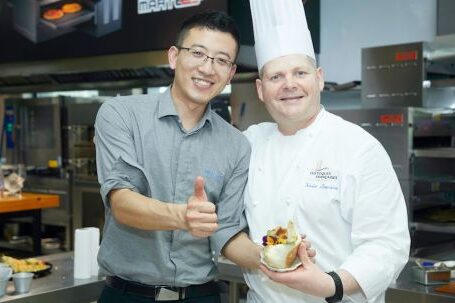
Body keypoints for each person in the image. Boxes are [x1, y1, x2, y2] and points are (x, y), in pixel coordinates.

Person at [242, 1, 411, 302]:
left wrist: (330, 284)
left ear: (318, 77)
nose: (289, 85)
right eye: (276, 76)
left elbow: (387, 245)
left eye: (300, 73)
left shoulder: (359, 148)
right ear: (260, 88)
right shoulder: (249, 144)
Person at [94, 10, 252, 303]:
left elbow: (227, 230)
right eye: (198, 53)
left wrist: (272, 260)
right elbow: (121, 203)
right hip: (128, 294)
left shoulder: (237, 145)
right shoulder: (121, 115)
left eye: (221, 60)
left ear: (230, 73)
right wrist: (183, 216)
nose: (208, 68)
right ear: (173, 57)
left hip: (200, 295)